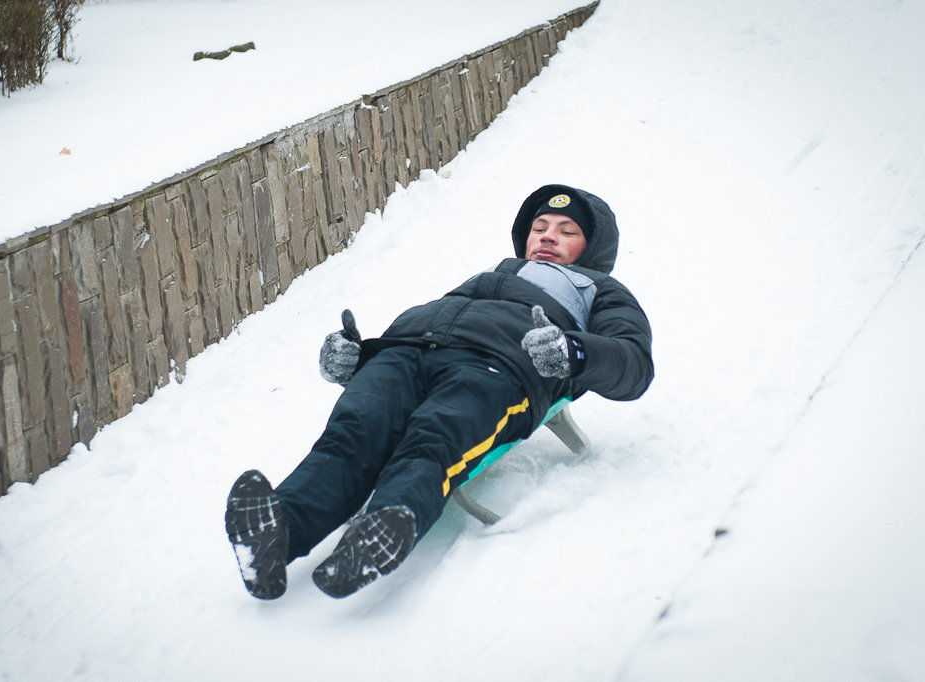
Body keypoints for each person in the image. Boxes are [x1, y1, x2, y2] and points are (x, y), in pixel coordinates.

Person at [225, 184, 654, 599]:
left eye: (567, 231)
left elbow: (632, 364)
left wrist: (573, 350)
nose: (547, 236)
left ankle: (380, 530)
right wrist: (357, 359)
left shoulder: (601, 290)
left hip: (497, 368)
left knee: (434, 438)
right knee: (351, 434)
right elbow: (445, 321)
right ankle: (277, 534)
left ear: (592, 247)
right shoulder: (492, 273)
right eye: (540, 226)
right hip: (403, 354)